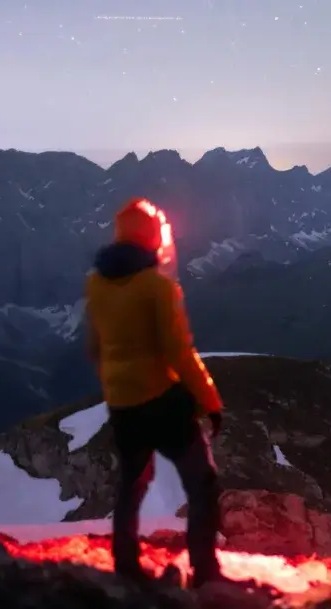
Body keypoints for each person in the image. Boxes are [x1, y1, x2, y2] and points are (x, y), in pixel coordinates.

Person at [84, 197, 227, 588]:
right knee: (202, 482)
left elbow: (93, 346)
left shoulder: (96, 283)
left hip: (122, 404)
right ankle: (205, 570)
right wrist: (210, 401)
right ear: (152, 237)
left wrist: (114, 387)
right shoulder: (156, 286)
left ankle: (126, 564)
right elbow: (180, 352)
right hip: (161, 401)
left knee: (131, 483)